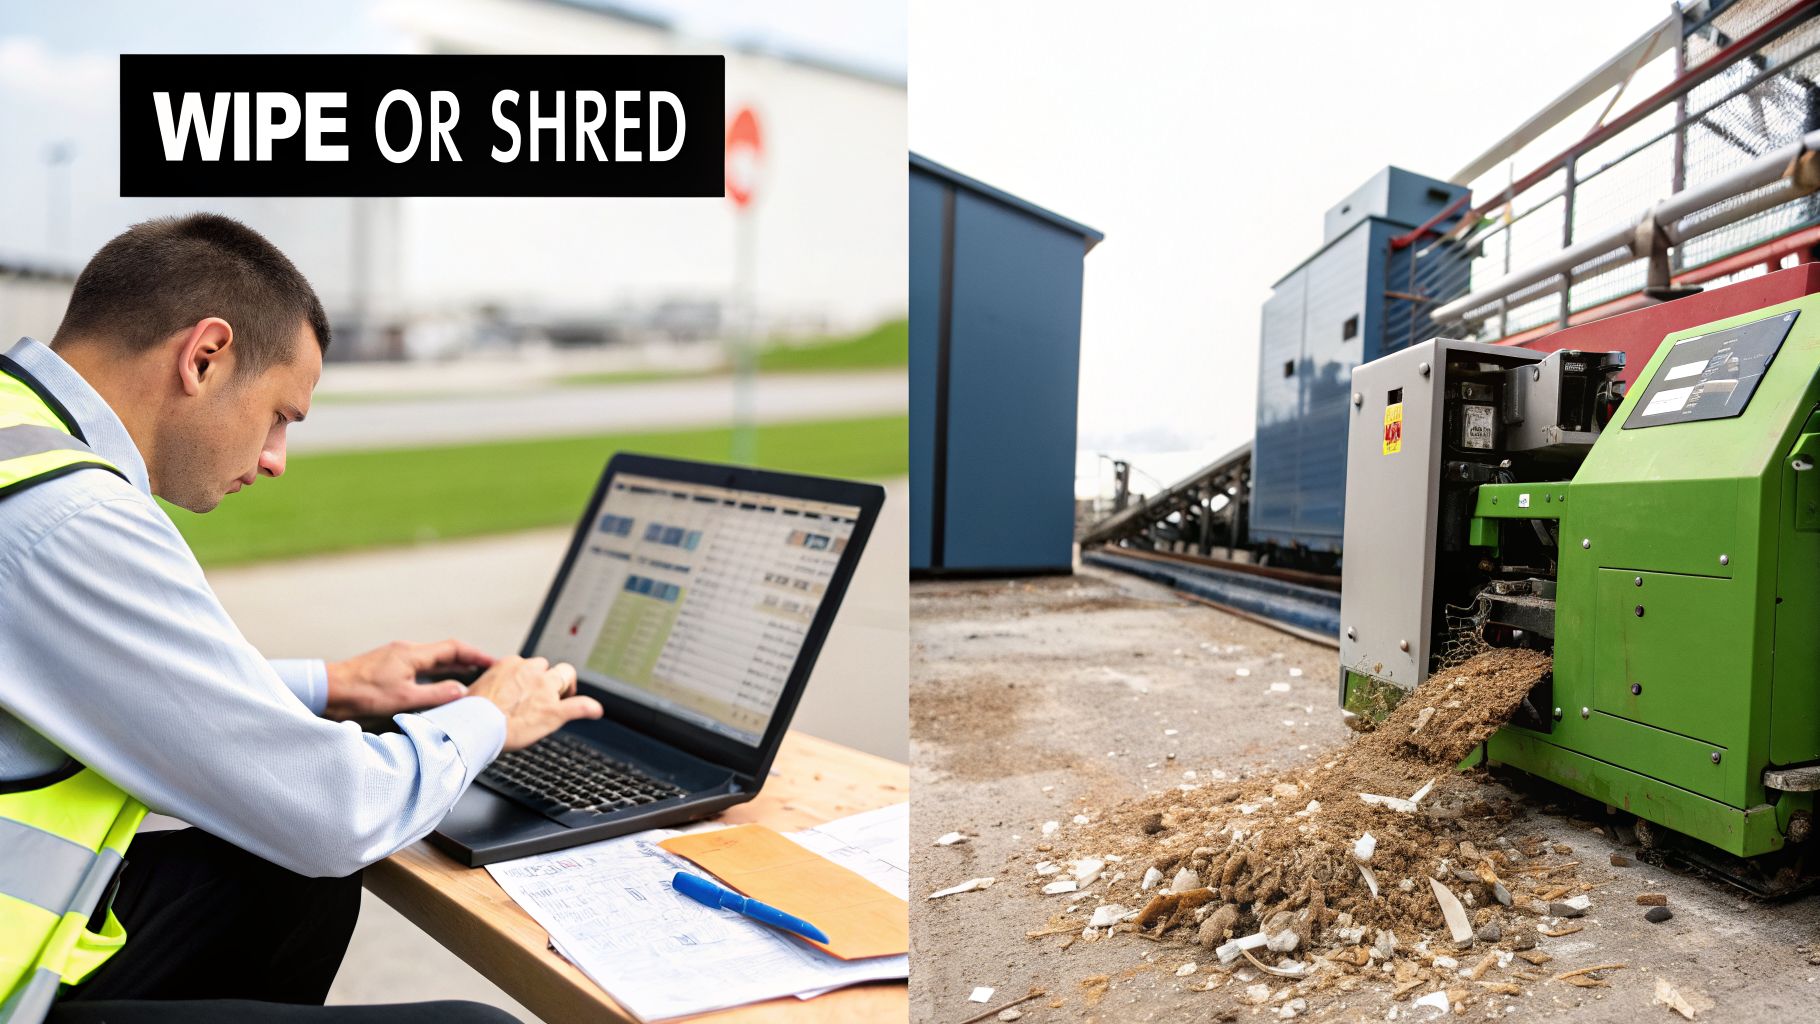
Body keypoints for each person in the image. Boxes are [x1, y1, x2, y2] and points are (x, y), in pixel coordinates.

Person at [0, 214, 603, 1023]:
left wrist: (330, 686)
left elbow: (74, 677)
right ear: (204, 356)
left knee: (290, 884)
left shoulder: (19, 438)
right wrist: (489, 715)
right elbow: (334, 814)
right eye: (281, 414)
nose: (277, 457)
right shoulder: (71, 516)